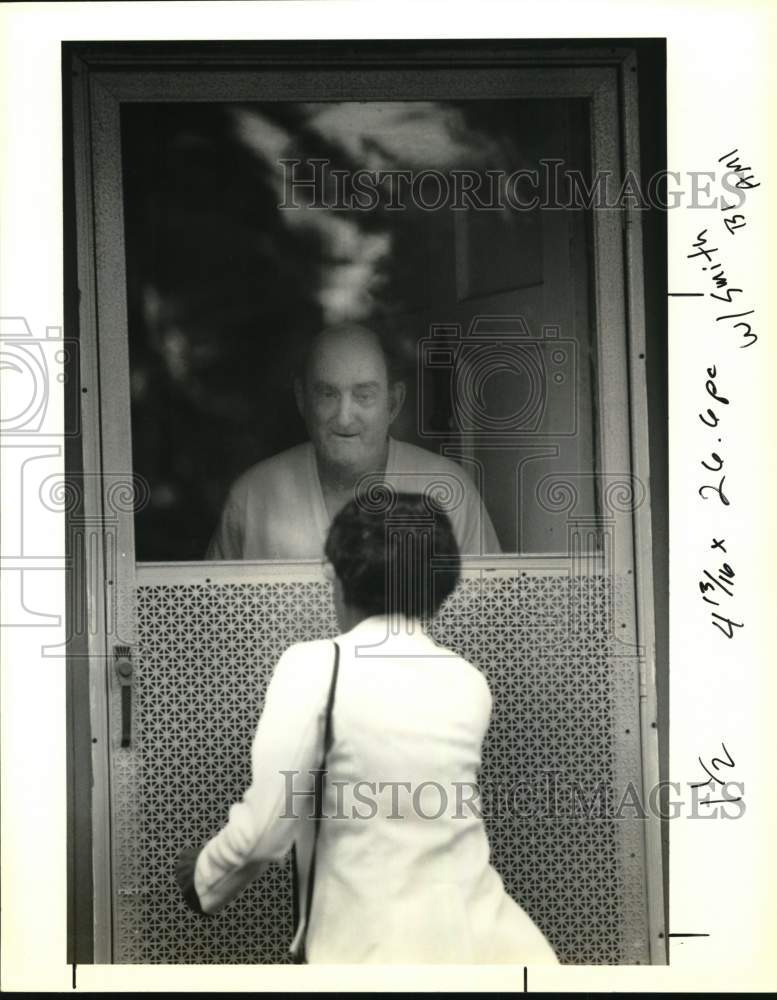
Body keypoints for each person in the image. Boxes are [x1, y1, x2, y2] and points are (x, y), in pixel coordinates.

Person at [178, 493, 557, 964]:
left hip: (373, 956)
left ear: (337, 579)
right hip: (488, 945)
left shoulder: (313, 666)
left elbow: (265, 830)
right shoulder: (467, 680)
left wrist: (203, 878)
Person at [205, 322, 501, 559]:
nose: (344, 417)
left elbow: (489, 624)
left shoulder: (450, 496)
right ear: (302, 400)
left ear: (393, 404)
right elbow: (211, 624)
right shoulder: (253, 498)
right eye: (327, 394)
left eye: (364, 396)